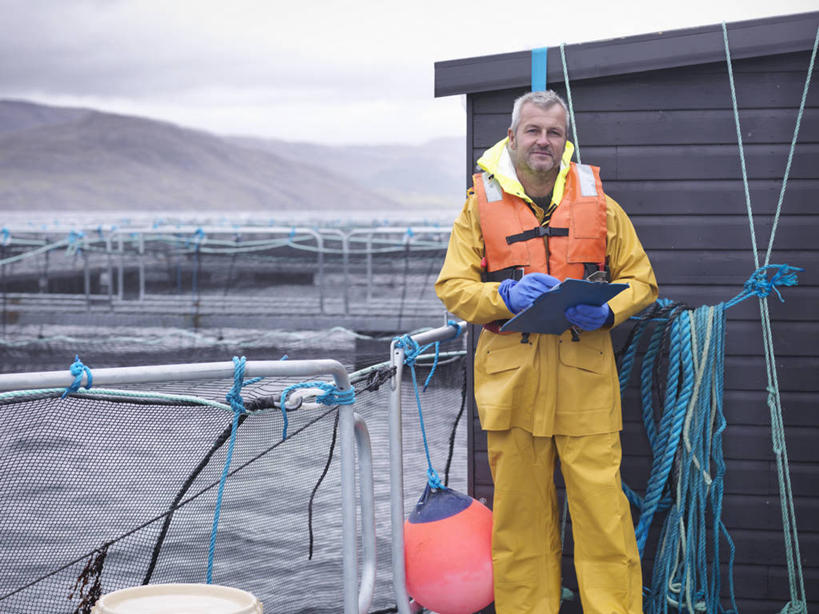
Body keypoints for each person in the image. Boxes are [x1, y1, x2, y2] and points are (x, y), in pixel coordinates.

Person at [435, 90, 658, 614]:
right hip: (513, 390)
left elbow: (642, 280)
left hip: (586, 389)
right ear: (512, 137)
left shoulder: (601, 205)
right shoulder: (478, 208)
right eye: (533, 130)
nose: (543, 141)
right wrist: (504, 296)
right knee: (520, 529)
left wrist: (608, 312)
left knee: (605, 523)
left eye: (553, 132)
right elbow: (453, 289)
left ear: (565, 141)